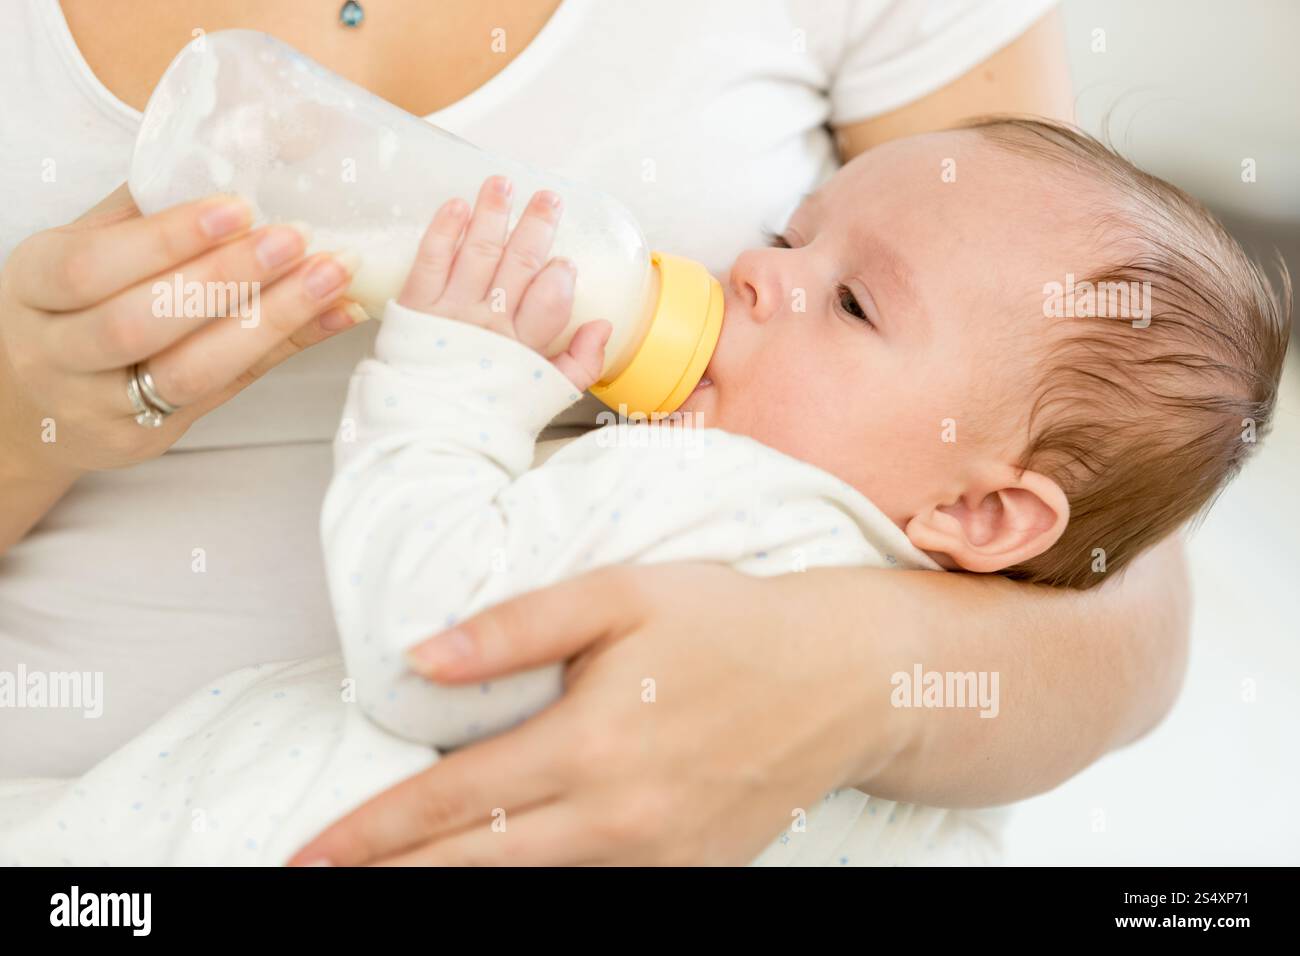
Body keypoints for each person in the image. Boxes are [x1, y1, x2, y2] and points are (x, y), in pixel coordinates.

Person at [0, 1, 1190, 865]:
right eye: (785, 235)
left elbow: (1122, 565)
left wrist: (451, 375)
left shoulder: (711, 498)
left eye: (855, 300)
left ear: (982, 517)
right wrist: (20, 416)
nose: (754, 276)